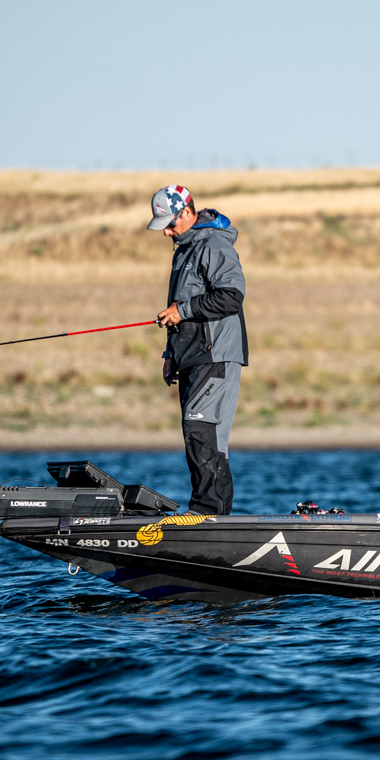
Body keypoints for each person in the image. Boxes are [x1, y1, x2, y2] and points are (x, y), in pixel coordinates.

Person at [146, 185, 248, 515]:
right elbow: (177, 308)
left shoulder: (214, 244)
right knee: (197, 433)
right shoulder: (183, 251)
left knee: (202, 429)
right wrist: (170, 355)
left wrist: (183, 310)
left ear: (187, 212)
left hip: (216, 354)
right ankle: (212, 515)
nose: (167, 233)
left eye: (170, 224)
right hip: (191, 356)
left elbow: (231, 296)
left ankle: (208, 512)